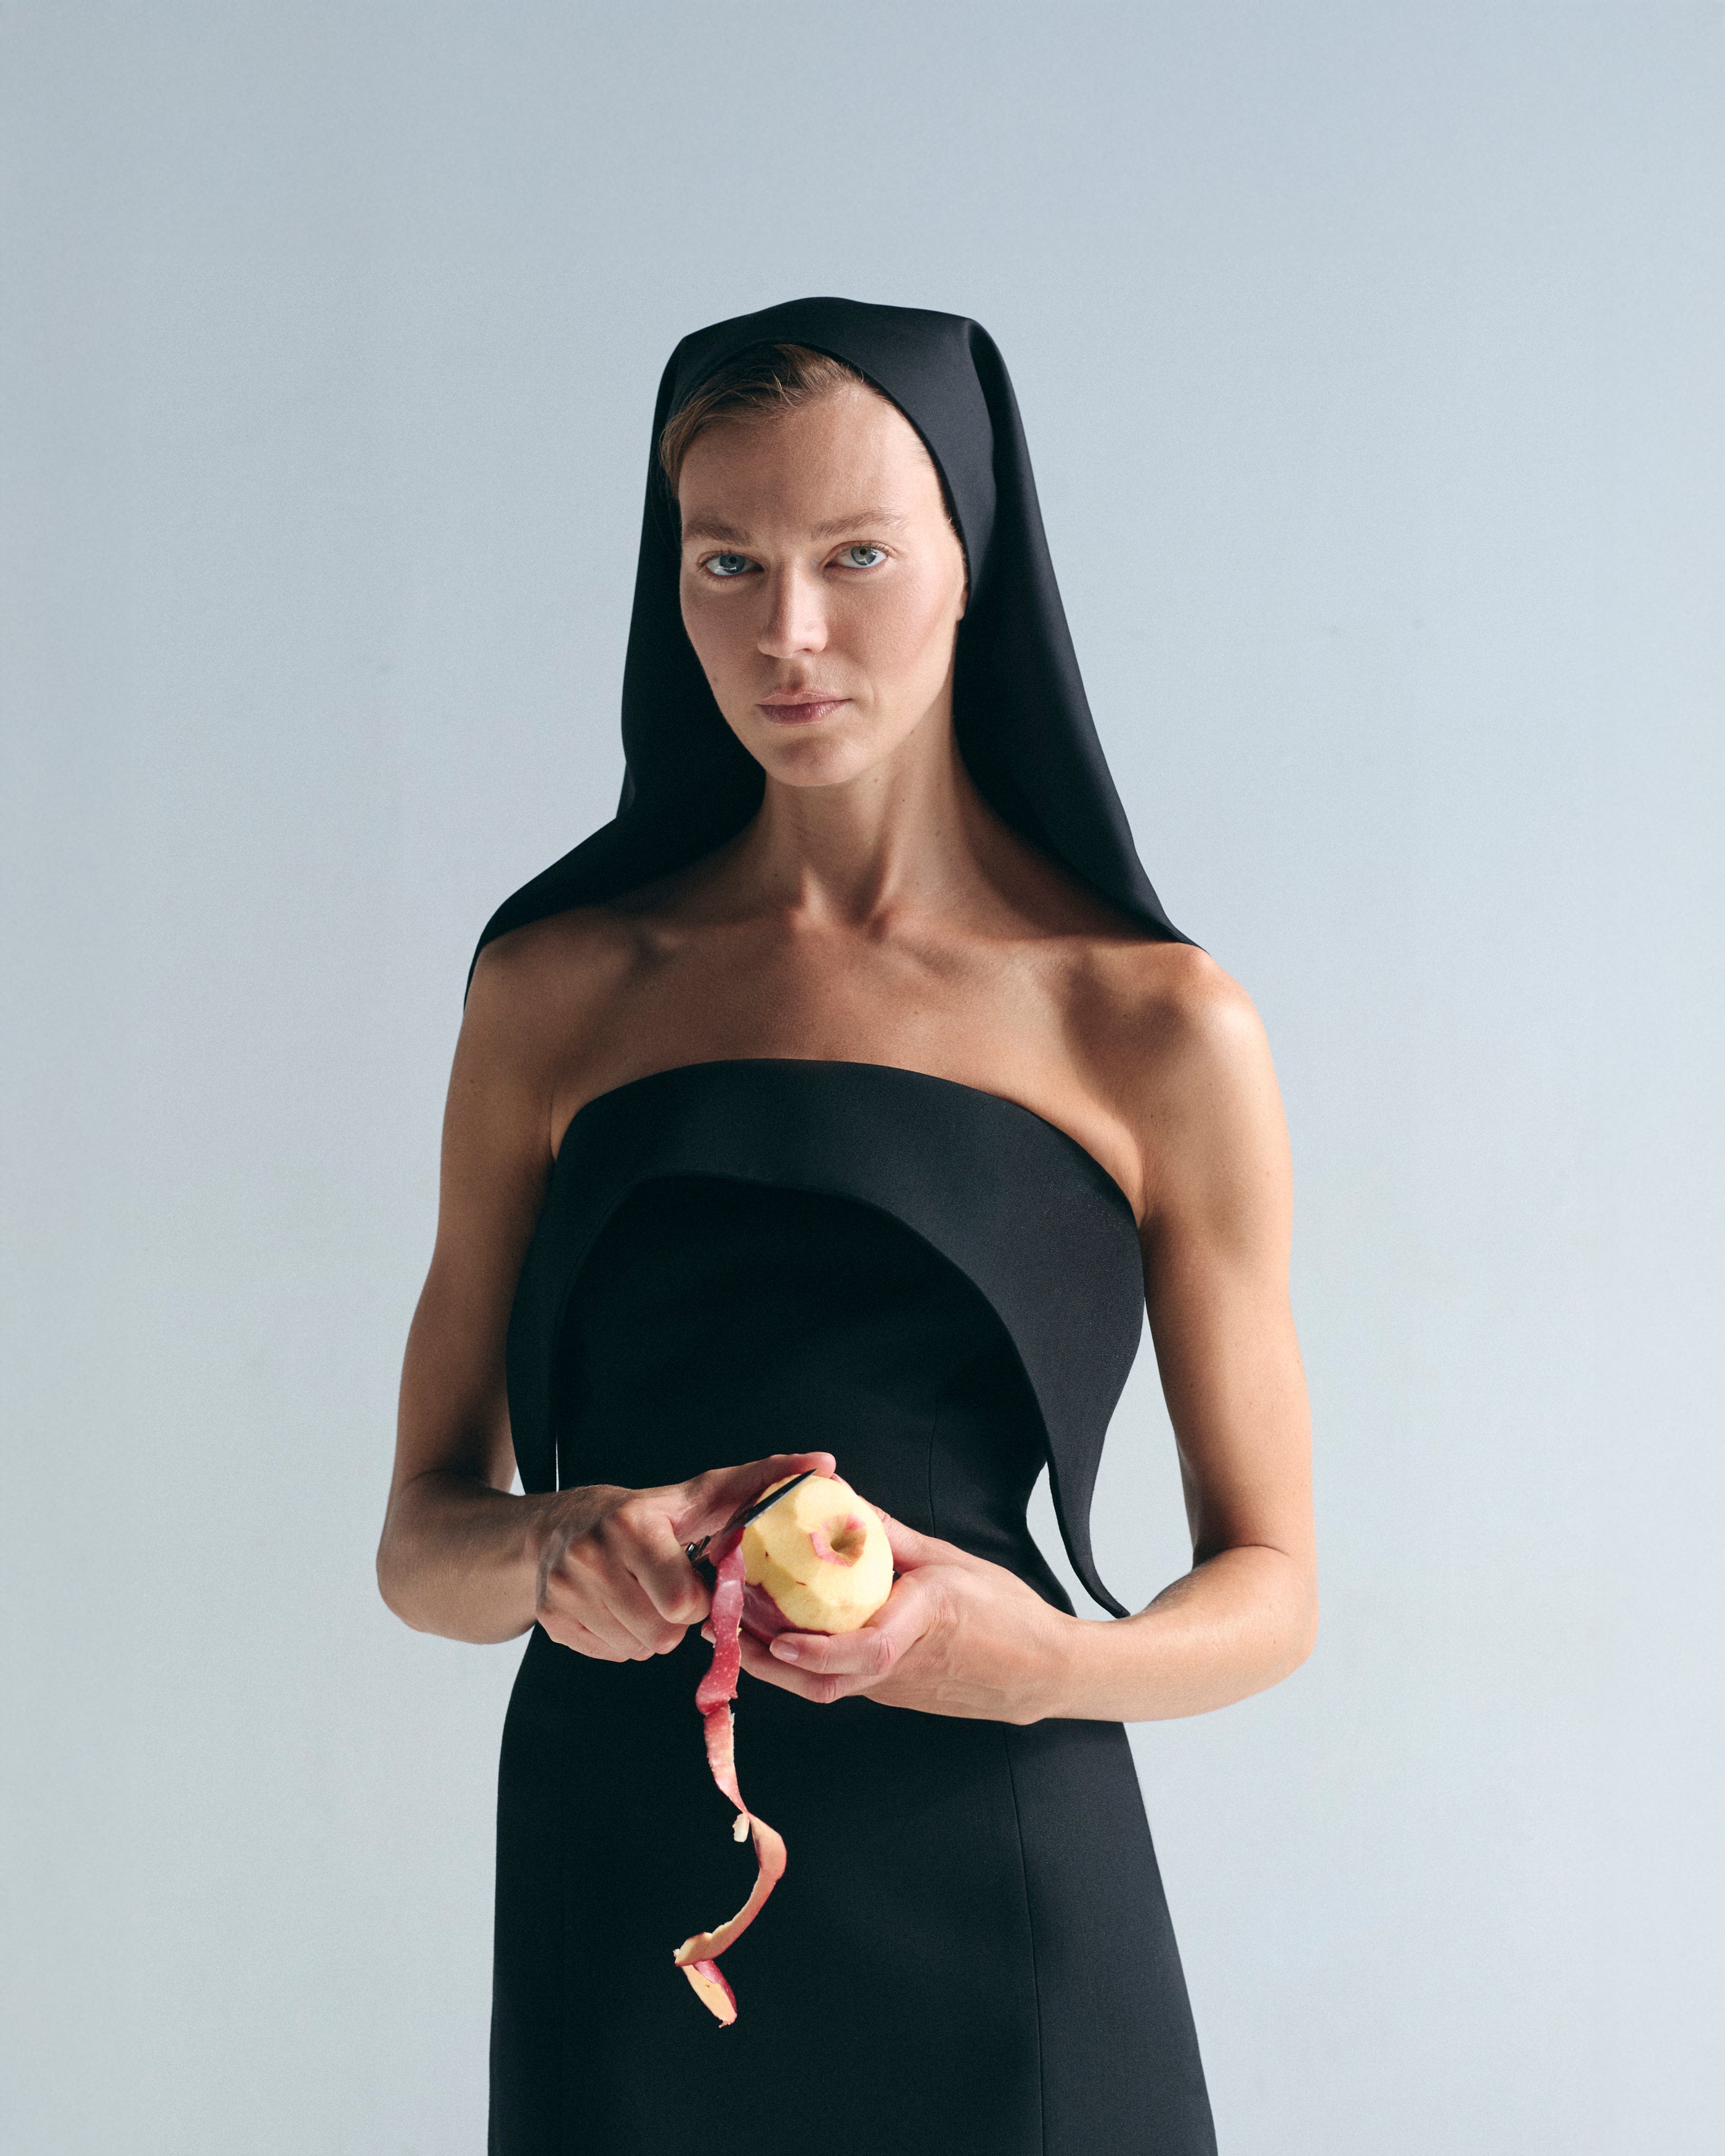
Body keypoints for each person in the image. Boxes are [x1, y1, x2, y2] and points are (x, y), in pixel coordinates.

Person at [376, 298, 1315, 2156]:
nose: (786, 633)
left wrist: (1036, 1659)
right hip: (626, 1892)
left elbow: (1272, 1582)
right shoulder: (557, 991)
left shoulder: (1152, 1022)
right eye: (725, 561)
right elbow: (422, 1542)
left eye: (856, 556)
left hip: (1006, 1875)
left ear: (976, 563)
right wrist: (562, 1547)